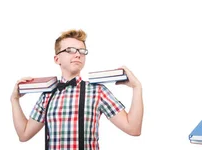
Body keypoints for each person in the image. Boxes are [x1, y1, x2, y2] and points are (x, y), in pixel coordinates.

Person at [10, 29, 144, 150]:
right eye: (70, 50)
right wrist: (14, 100)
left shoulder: (97, 92)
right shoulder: (47, 95)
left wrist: (137, 87)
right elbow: (24, 134)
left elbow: (133, 128)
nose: (78, 55)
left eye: (81, 51)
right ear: (57, 59)